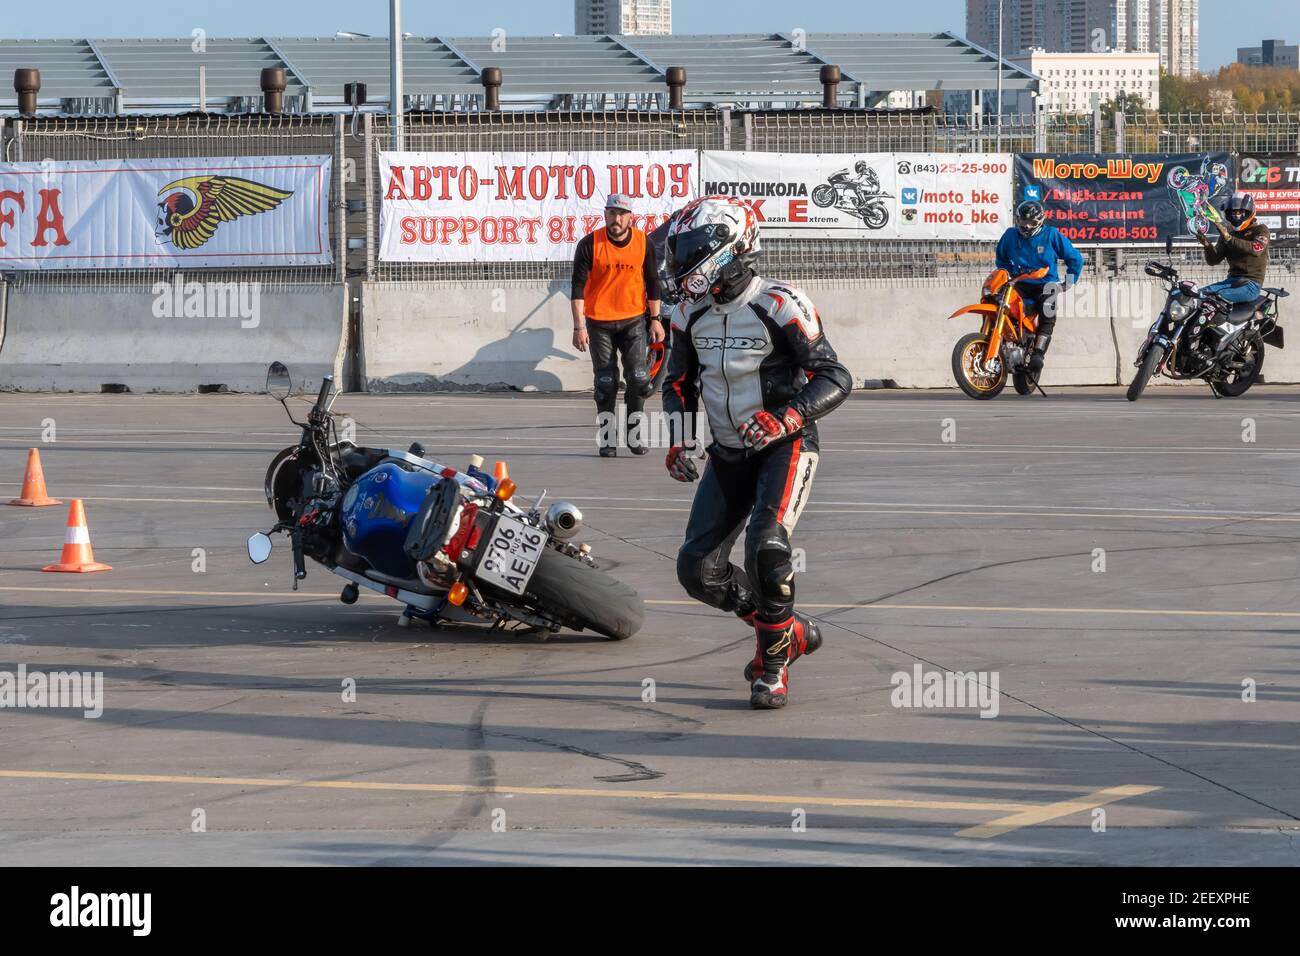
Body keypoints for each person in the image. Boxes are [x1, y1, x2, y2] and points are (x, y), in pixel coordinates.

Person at [660, 195, 853, 710]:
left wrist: (788, 416)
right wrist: (680, 437)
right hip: (727, 453)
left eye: (691, 253)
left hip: (785, 446)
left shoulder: (781, 304)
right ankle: (787, 631)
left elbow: (835, 375)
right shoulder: (685, 313)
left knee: (767, 547)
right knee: (696, 570)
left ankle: (770, 670)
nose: (680, 266)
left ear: (731, 250)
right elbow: (678, 383)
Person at [570, 193, 665, 457]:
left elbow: (653, 282)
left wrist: (655, 320)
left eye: (622, 214)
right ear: (605, 215)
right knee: (606, 382)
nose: (616, 219)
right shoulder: (590, 244)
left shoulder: (642, 242)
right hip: (598, 322)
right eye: (612, 213)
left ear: (630, 218)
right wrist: (579, 327)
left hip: (633, 319)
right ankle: (608, 441)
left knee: (638, 377)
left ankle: (634, 437)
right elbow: (577, 288)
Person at [994, 199, 1084, 378]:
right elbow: (1001, 259)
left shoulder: (1051, 235)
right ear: (1017, 220)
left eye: (1031, 223)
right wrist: (1011, 274)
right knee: (1000, 300)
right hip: (1019, 282)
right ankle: (1001, 341)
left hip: (1046, 283)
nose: (1026, 227)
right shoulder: (1010, 235)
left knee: (1048, 308)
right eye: (1022, 222)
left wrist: (1068, 282)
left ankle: (1038, 353)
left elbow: (1075, 259)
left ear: (1040, 221)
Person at [1198, 192, 1270, 308]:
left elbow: (1256, 249)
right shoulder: (1228, 233)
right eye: (1234, 212)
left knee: (1216, 297)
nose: (1237, 215)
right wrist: (1207, 246)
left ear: (1248, 212)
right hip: (1231, 281)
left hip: (1251, 284)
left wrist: (1229, 238)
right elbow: (1213, 260)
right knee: (1199, 294)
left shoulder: (1260, 230)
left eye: (1240, 212)